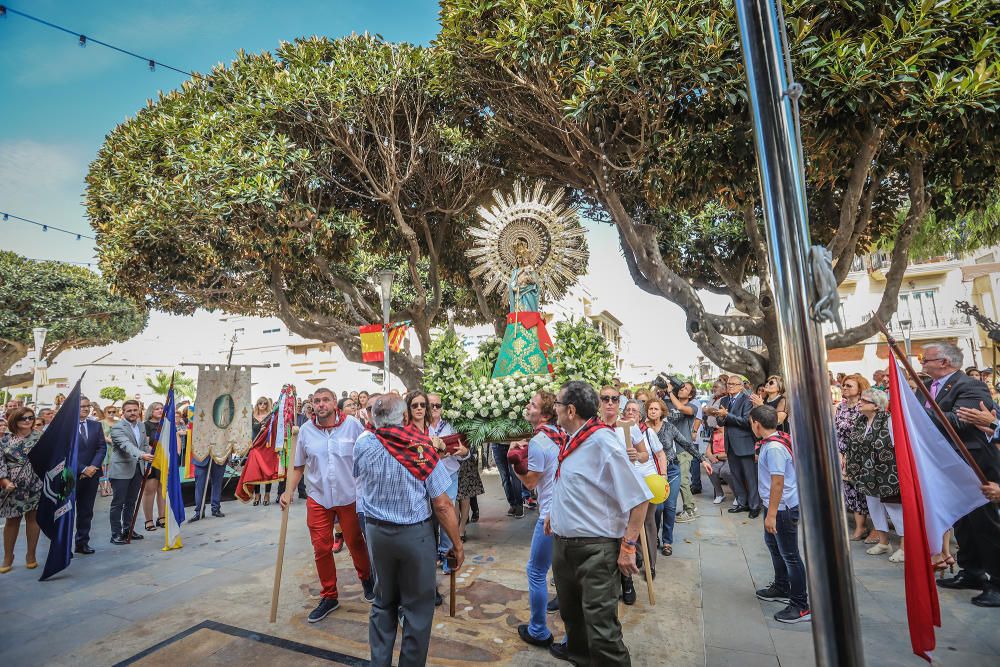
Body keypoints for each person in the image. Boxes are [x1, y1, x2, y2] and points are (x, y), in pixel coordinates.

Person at [545, 380, 652, 665]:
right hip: (564, 547)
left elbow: (640, 499)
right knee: (574, 623)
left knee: (602, 633)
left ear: (569, 410)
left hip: (595, 552)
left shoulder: (603, 443)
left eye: (556, 404)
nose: (552, 409)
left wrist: (629, 545)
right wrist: (553, 516)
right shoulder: (572, 438)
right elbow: (573, 484)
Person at [353, 393, 463, 666]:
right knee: (417, 608)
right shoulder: (421, 448)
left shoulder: (363, 444)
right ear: (404, 417)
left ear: (373, 418)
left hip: (378, 533)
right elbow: (442, 504)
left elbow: (358, 475)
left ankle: (379, 662)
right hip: (415, 535)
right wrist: (456, 545)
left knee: (382, 602)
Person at [279, 388, 373, 622]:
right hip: (319, 498)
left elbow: (369, 455)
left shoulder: (352, 425)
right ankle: (329, 595)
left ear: (334, 404)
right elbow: (298, 466)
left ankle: (367, 580)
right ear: (312, 405)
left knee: (355, 543)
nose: (321, 405)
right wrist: (288, 491)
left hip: (349, 496)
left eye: (325, 400)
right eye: (317, 401)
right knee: (321, 548)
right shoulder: (306, 432)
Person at [920, 343, 1000, 607]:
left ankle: (997, 581)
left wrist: (920, 417)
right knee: (963, 521)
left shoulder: (969, 385)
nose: (922, 363)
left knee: (985, 524)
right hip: (948, 465)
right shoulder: (927, 387)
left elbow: (962, 420)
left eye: (926, 359)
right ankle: (972, 570)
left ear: (944, 362)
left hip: (973, 462)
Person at [510, 390, 564, 649]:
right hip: (565, 511)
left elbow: (531, 482)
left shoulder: (539, 441)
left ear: (543, 414)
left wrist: (515, 465)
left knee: (536, 571)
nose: (527, 407)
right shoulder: (560, 434)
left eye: (532, 405)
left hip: (549, 516)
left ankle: (539, 630)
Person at [750, 405, 811, 623]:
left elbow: (778, 483)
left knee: (791, 555)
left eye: (751, 422)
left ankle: (800, 605)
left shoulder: (774, 448)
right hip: (776, 505)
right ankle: (782, 586)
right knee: (774, 546)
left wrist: (772, 514)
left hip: (782, 508)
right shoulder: (773, 441)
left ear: (756, 423)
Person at [843, 389, 903, 562]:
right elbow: (852, 445)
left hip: (888, 474)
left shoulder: (889, 421)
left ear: (877, 406)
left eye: (865, 400)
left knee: (894, 509)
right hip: (867, 474)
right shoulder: (860, 421)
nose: (860, 402)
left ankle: (904, 547)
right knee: (874, 508)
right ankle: (884, 543)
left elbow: (897, 446)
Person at [623, 399, 670, 581]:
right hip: (628, 483)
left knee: (648, 521)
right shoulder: (619, 432)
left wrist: (663, 475)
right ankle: (638, 556)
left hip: (648, 481)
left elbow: (660, 454)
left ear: (640, 415)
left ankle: (651, 565)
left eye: (634, 410)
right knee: (631, 523)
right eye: (628, 410)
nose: (630, 413)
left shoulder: (648, 432)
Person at [426, 393, 468, 566]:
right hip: (427, 476)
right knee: (428, 517)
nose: (435, 408)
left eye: (438, 405)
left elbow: (464, 450)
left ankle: (446, 555)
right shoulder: (419, 427)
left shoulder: (452, 426)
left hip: (449, 475)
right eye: (431, 405)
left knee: (447, 513)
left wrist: (465, 452)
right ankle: (431, 554)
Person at [711, 375, 762, 518]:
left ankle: (754, 506)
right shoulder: (724, 399)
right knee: (736, 476)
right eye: (728, 384)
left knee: (750, 477)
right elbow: (721, 423)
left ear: (741, 386)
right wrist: (720, 417)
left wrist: (727, 415)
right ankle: (742, 503)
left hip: (744, 443)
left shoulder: (747, 400)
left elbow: (746, 422)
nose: (730, 386)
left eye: (733, 384)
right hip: (730, 443)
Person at [0, 407, 43, 572]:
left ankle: (30, 555)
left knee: (33, 519)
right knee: (12, 521)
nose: (27, 420)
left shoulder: (41, 437)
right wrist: (4, 481)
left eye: (30, 417)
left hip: (36, 484)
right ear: (14, 421)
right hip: (13, 487)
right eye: (23, 418)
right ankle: (8, 556)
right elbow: (0, 463)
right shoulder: (4, 441)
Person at [645, 398, 689, 557]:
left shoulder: (669, 427)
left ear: (662, 411)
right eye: (650, 409)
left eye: (656, 409)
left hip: (671, 470)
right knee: (657, 508)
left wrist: (703, 460)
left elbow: (686, 443)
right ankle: (654, 536)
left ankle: (668, 541)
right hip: (651, 472)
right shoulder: (642, 428)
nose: (653, 411)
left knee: (670, 507)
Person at [108, 400, 152, 545]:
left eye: (135, 410)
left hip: (138, 469)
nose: (133, 413)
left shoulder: (141, 425)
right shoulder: (117, 428)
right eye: (129, 410)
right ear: (123, 412)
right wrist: (141, 455)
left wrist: (147, 459)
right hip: (121, 470)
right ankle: (115, 534)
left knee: (131, 502)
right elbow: (126, 445)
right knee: (118, 504)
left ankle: (128, 529)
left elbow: (144, 444)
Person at [834, 374, 872, 541]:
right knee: (848, 490)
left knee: (858, 491)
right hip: (840, 454)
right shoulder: (841, 407)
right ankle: (858, 526)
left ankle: (861, 527)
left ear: (859, 389)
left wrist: (850, 454)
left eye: (849, 386)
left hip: (857, 455)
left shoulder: (862, 408)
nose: (845, 388)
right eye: (844, 385)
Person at [74, 396, 107, 555]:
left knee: (86, 511)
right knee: (66, 512)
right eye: (82, 406)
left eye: (87, 406)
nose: (86, 409)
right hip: (70, 475)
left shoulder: (95, 425)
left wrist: (93, 467)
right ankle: (63, 546)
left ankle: (82, 542)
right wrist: (82, 468)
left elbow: (101, 447)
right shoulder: (66, 427)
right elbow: (64, 453)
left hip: (92, 475)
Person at [666, 381, 702, 522]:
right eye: (681, 388)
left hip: (684, 448)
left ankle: (690, 509)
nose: (681, 390)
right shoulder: (669, 402)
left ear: (691, 394)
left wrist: (670, 392)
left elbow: (680, 407)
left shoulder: (692, 407)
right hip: (670, 448)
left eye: (685, 389)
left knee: (683, 480)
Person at [141, 402, 166, 532]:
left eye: (162, 408)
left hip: (164, 461)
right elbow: (145, 444)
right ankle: (148, 520)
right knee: (149, 491)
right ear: (151, 411)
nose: (160, 410)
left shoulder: (166, 424)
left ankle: (162, 517)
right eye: (157, 409)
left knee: (162, 490)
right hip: (152, 460)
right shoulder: (145, 425)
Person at [251, 396, 273, 507]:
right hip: (255, 447)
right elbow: (248, 431)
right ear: (257, 404)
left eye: (265, 403)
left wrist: (267, 429)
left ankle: (267, 495)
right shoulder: (252, 416)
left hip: (266, 447)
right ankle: (257, 495)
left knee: (266, 471)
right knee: (256, 471)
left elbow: (274, 431)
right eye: (260, 403)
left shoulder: (270, 417)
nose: (263, 405)